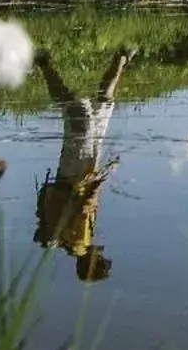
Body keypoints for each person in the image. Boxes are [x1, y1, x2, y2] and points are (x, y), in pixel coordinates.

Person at [33, 47, 134, 282]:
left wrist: (105, 176)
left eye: (101, 258)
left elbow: (85, 204)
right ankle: (121, 58)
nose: (102, 252)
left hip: (75, 171)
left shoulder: (79, 242)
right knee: (104, 106)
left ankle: (44, 64)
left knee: (78, 112)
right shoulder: (74, 244)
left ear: (92, 262)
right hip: (85, 168)